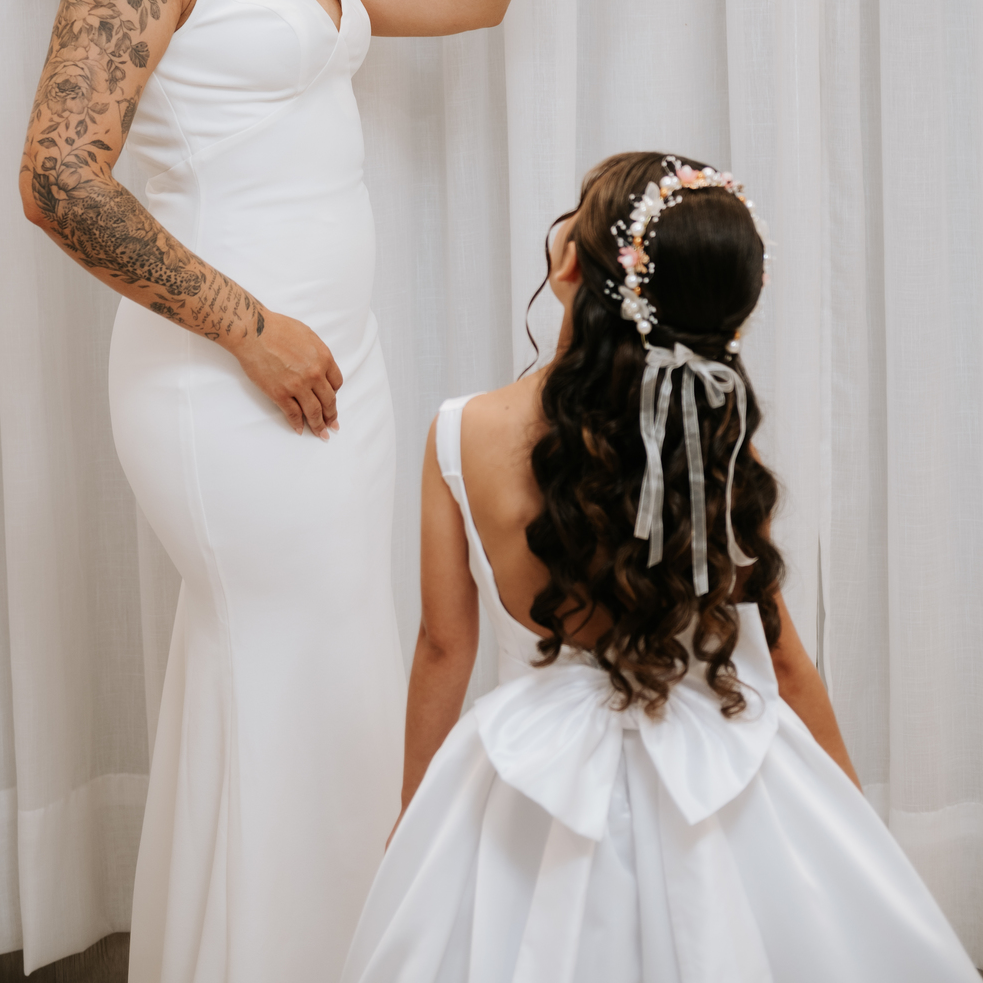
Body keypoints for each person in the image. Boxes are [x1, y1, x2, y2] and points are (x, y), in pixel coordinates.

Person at [15, 0, 573, 983]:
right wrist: (247, 326)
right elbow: (57, 178)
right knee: (302, 682)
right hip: (229, 384)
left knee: (311, 681)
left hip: (335, 367)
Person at [342, 150, 979, 983]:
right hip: (714, 766)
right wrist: (853, 819)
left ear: (570, 267)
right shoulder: (716, 437)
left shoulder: (462, 433)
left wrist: (414, 814)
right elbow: (783, 660)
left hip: (528, 776)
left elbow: (442, 646)